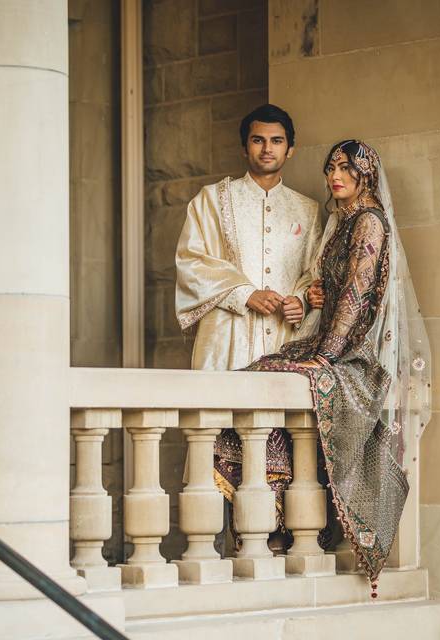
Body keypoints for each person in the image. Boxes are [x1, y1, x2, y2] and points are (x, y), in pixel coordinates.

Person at [240, 139, 432, 595]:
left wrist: (324, 356)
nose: (334, 176)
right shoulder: (341, 222)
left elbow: (356, 297)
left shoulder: (367, 222)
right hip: (330, 340)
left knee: (286, 376)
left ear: (365, 173)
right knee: (256, 373)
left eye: (345, 167)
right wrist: (316, 300)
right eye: (330, 168)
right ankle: (274, 517)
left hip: (354, 352)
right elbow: (332, 290)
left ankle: (288, 522)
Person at [174, 103, 322, 546]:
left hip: (285, 344)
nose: (267, 148)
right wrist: (244, 294)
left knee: (282, 452)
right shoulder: (211, 201)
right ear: (245, 145)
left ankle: (273, 546)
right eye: (258, 139)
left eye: (276, 141)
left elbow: (316, 274)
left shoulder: (308, 211)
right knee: (221, 443)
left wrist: (299, 300)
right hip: (230, 343)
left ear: (290, 149)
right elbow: (191, 262)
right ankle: (230, 549)